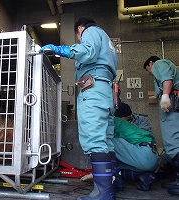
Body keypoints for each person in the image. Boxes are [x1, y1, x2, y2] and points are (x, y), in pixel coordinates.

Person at [39, 17, 117, 200]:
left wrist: (59, 50)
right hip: (105, 89)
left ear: (80, 29)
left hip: (93, 89)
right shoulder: (107, 41)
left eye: (78, 36)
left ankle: (103, 192)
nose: (80, 39)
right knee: (107, 139)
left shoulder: (90, 31)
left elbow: (87, 52)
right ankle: (113, 183)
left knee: (95, 137)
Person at [143, 56, 179, 195]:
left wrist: (165, 95)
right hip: (173, 105)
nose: (150, 72)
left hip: (172, 105)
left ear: (151, 62)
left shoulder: (159, 64)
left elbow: (166, 78)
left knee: (174, 143)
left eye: (148, 69)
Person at [113, 102, 159, 191]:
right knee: (119, 163)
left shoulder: (139, 121)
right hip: (146, 157)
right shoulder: (121, 124)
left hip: (143, 154)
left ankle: (115, 181)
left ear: (130, 116)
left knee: (109, 152)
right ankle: (143, 176)